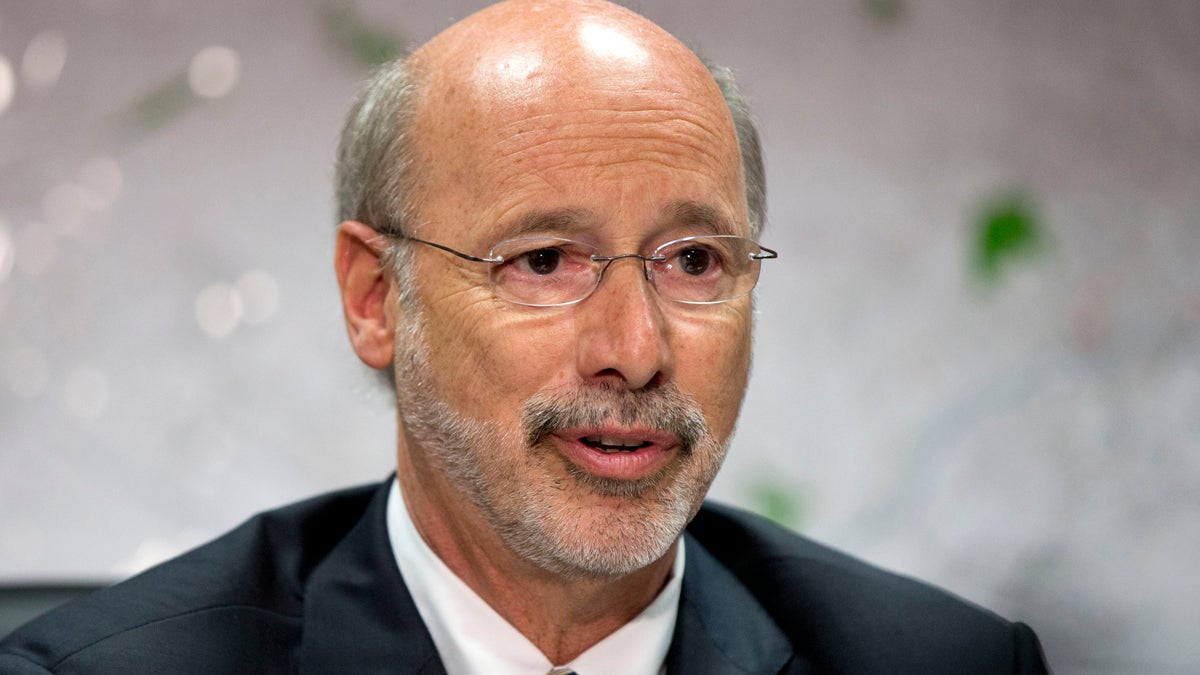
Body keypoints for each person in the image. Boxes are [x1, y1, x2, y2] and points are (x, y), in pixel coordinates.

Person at [0, 1, 1052, 673]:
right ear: (377, 298)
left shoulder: (948, 662)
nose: (635, 350)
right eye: (544, 260)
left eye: (694, 261)